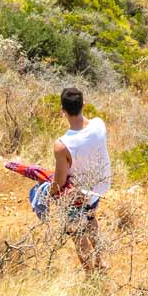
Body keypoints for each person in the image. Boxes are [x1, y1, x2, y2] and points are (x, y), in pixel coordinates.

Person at [53, 87, 111, 271]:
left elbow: (60, 182)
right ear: (83, 105)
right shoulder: (99, 124)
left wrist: (49, 191)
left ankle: (89, 274)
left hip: (77, 193)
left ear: (63, 111)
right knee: (91, 217)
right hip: (98, 187)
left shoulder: (63, 145)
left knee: (76, 231)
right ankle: (101, 261)